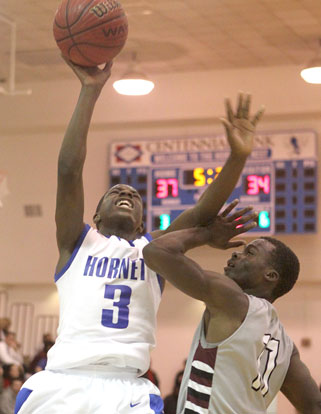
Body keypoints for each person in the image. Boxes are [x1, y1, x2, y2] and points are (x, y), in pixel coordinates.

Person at [14, 54, 264, 414]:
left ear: (144, 224)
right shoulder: (77, 242)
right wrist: (90, 90)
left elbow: (202, 212)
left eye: (134, 195)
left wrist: (237, 158)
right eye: (115, 191)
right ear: (96, 216)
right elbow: (69, 169)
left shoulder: (156, 252)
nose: (126, 193)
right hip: (62, 383)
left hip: (127, 389)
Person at [143, 202, 321, 414]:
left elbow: (155, 251)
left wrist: (206, 234)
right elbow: (314, 404)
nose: (236, 254)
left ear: (271, 276)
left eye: (250, 252)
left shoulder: (232, 300)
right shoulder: (286, 347)